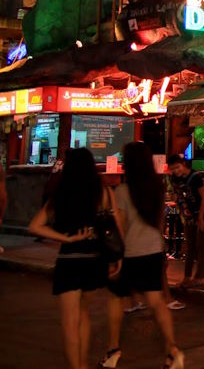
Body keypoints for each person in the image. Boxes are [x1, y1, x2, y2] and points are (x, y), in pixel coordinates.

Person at [101, 142, 184, 369]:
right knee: (157, 302)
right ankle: (173, 351)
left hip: (131, 252)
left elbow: (121, 225)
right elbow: (160, 221)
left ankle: (113, 350)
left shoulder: (122, 191)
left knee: (116, 299)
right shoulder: (157, 188)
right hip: (153, 250)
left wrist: (116, 254)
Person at [28, 148, 111, 369]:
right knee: (84, 315)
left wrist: (65, 237)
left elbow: (35, 226)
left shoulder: (61, 194)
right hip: (93, 260)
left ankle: (77, 367)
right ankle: (83, 363)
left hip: (70, 259)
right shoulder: (100, 192)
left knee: (69, 322)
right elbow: (109, 223)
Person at [168, 154, 204, 288]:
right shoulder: (174, 178)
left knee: (201, 245)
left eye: (177, 167)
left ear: (183, 164)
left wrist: (201, 218)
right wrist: (185, 216)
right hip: (188, 214)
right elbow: (178, 197)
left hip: (203, 212)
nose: (176, 171)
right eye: (172, 169)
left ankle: (199, 277)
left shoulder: (195, 176)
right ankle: (186, 277)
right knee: (190, 246)